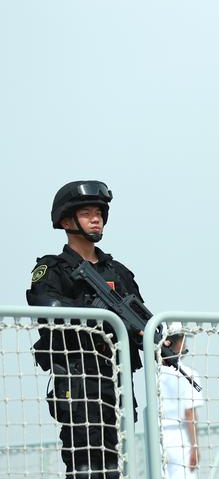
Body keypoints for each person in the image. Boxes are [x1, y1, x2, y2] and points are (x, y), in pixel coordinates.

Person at [27, 180, 145, 479]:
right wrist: (97, 313)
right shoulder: (52, 269)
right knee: (86, 466)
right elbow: (48, 309)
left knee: (116, 463)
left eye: (100, 213)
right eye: (87, 213)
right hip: (78, 377)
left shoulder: (116, 271)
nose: (96, 218)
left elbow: (140, 317)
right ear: (67, 220)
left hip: (116, 379)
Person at [160, 323, 204, 479]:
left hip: (157, 436)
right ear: (174, 343)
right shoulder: (189, 374)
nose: (185, 344)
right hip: (180, 437)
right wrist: (195, 446)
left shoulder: (153, 374)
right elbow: (190, 413)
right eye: (183, 340)